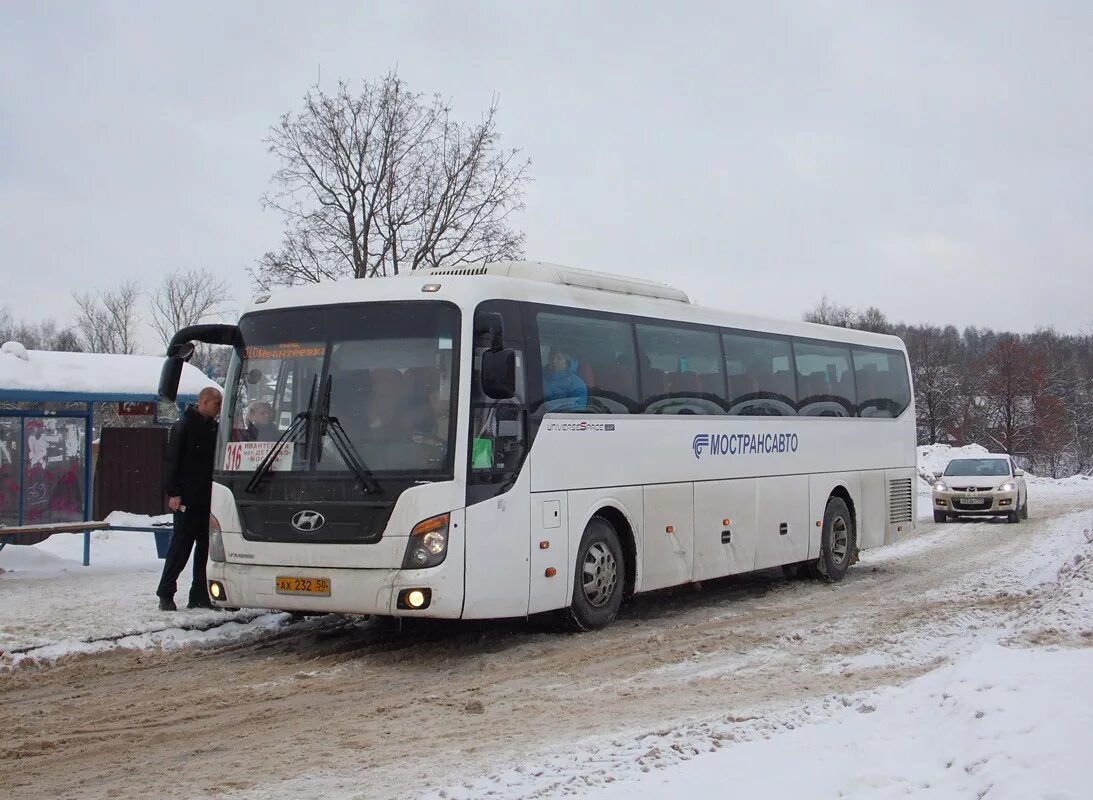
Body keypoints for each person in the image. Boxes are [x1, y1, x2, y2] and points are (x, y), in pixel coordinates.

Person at [156, 386, 222, 611]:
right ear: (203, 402)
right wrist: (173, 492)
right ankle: (166, 593)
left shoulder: (215, 428)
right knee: (181, 547)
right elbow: (171, 461)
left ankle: (200, 594)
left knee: (205, 548)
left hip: (208, 498)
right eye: (216, 404)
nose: (219, 408)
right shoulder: (183, 426)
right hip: (186, 498)